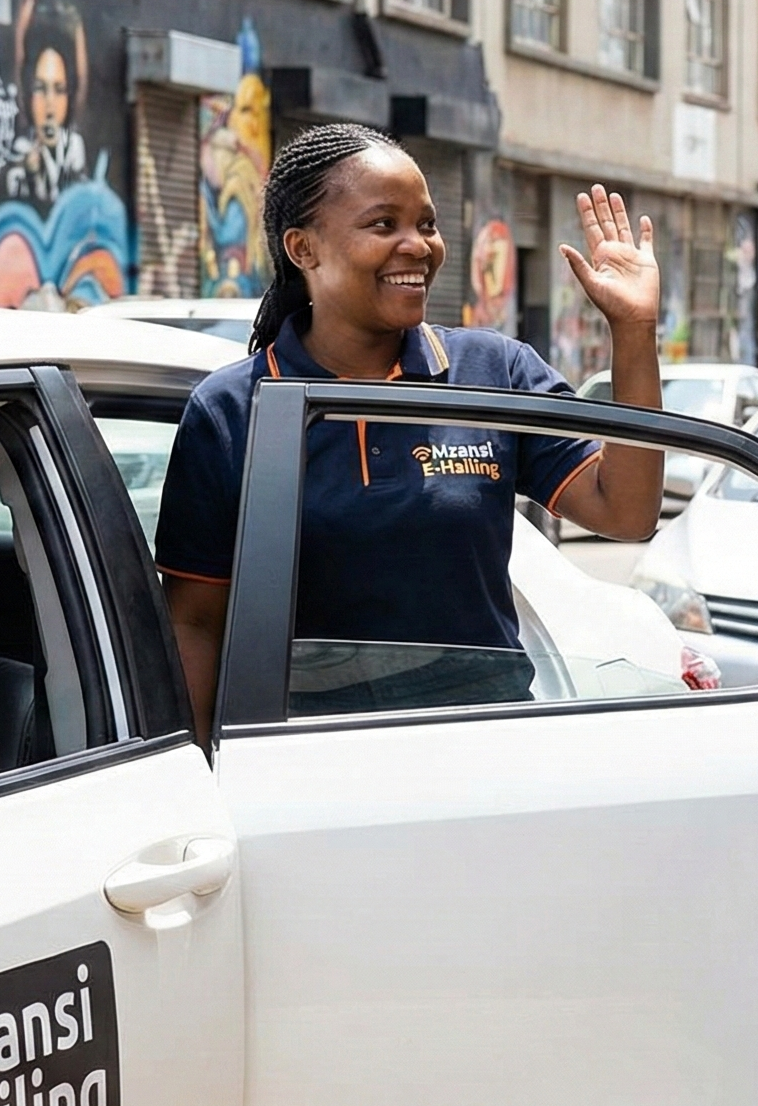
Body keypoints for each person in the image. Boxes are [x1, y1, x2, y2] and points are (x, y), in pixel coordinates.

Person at [153, 124, 665, 727]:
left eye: (425, 223)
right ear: (302, 249)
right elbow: (196, 623)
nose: (419, 246)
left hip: (483, 750)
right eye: (382, 224)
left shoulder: (492, 371)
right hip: (305, 762)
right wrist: (199, 770)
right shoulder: (234, 409)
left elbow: (625, 511)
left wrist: (633, 330)